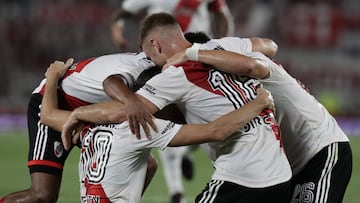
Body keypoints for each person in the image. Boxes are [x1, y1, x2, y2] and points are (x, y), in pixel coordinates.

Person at [102, 12, 292, 202]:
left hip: (245, 179)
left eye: (151, 58)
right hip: (281, 175)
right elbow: (270, 46)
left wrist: (77, 115)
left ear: (156, 45)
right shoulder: (222, 47)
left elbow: (121, 113)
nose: (154, 65)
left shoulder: (174, 75)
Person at [41, 59, 275, 203]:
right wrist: (258, 103)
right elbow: (215, 131)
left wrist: (52, 78)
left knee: (149, 164)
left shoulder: (86, 122)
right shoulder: (142, 128)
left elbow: (48, 115)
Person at [167, 32, 353, 203]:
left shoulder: (236, 64)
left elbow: (256, 62)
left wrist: (193, 53)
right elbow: (269, 46)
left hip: (319, 150)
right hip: (287, 168)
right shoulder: (226, 76)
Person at [0, 52, 158, 203]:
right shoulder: (138, 73)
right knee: (42, 195)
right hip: (53, 101)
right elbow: (48, 115)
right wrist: (52, 77)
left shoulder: (156, 67)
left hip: (89, 115)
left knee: (147, 166)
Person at [111, 0, 234, 49]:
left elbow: (222, 16)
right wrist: (117, 34)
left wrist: (221, 42)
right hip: (161, 49)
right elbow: (122, 13)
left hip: (198, 47)